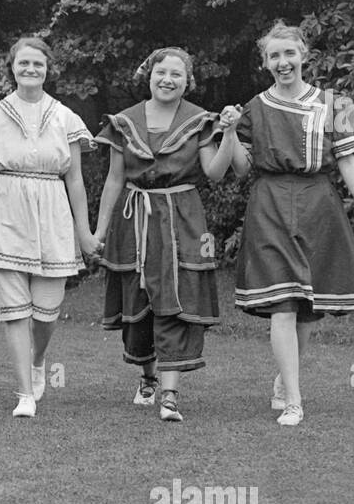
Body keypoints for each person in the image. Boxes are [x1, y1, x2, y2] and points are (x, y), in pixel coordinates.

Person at [223, 20, 354, 426]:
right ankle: (294, 400)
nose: (283, 62)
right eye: (274, 56)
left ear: (303, 56)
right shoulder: (255, 108)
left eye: (289, 54)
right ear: (265, 62)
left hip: (318, 203)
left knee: (307, 308)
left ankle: (284, 381)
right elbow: (241, 169)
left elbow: (347, 160)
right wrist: (228, 133)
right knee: (281, 302)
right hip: (270, 203)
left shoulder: (331, 104)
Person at [93, 47, 243, 423]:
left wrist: (229, 134)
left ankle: (170, 394)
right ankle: (148, 378)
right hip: (135, 218)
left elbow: (215, 173)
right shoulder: (124, 122)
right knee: (137, 301)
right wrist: (98, 230)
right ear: (149, 75)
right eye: (162, 72)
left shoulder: (199, 121)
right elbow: (114, 180)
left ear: (187, 81)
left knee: (177, 299)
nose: (168, 79)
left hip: (182, 218)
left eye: (177, 74)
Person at [0, 35, 97, 418]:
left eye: (37, 64)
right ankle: (25, 392)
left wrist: (84, 231)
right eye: (23, 63)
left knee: (46, 311)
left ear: (47, 69)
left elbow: (74, 180)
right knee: (14, 310)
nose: (30, 69)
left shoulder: (65, 117)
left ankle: (38, 360)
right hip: (5, 212)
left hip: (52, 212)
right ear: (12, 67)